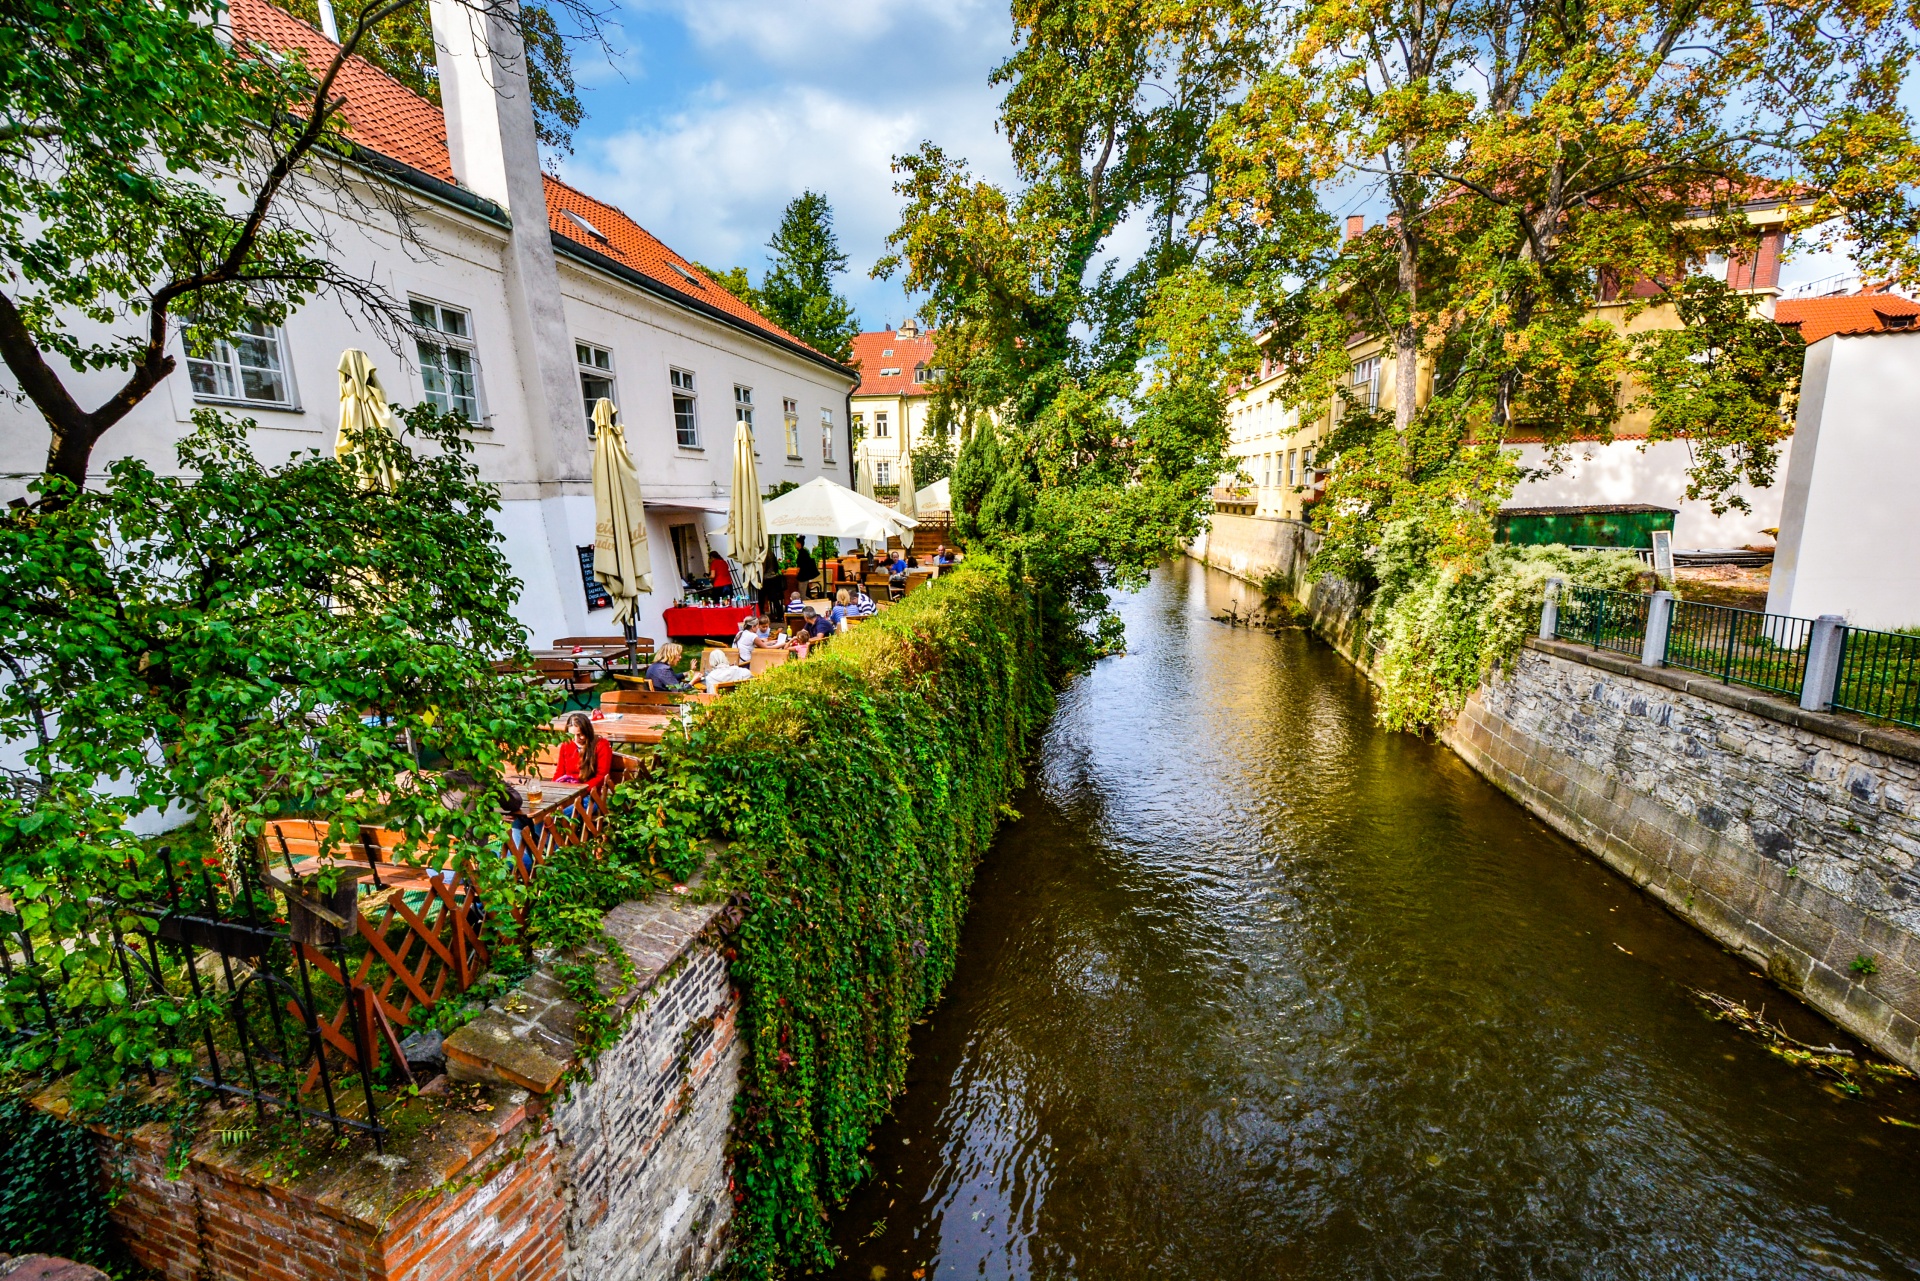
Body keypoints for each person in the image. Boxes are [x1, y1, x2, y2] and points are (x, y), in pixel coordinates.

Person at [553, 712, 612, 787]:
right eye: (571, 735)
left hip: (590, 791)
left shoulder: (601, 745)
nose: (576, 739)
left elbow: (601, 776)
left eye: (580, 735)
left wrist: (581, 790)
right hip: (568, 788)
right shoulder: (566, 744)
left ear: (587, 731)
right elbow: (559, 772)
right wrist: (553, 787)